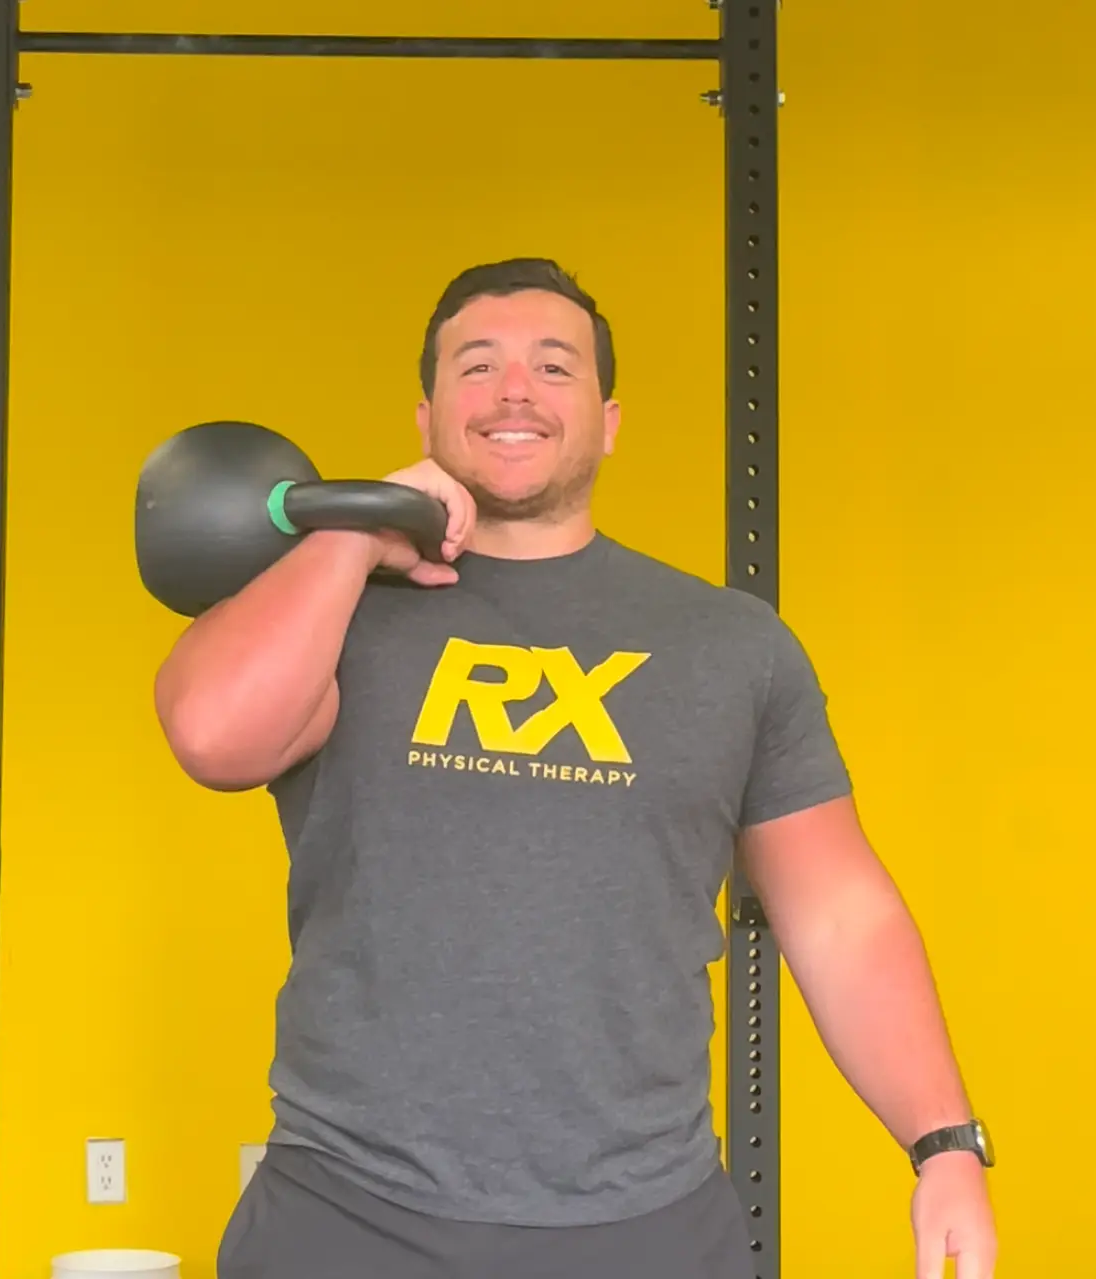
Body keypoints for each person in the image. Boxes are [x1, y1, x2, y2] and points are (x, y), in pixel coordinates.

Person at [154, 258, 998, 1279]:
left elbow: (840, 911)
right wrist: (353, 536)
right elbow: (212, 735)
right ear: (426, 419)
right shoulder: (334, 610)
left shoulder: (731, 644)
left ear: (608, 418)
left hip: (646, 1226)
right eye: (479, 365)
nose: (515, 389)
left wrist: (944, 1145)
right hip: (349, 1214)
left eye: (555, 367)